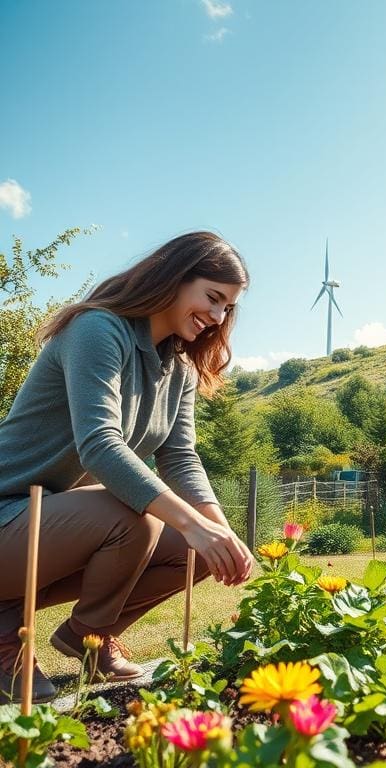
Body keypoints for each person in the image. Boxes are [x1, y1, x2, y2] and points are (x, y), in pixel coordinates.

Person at [0, 231, 255, 703]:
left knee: (197, 550)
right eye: (213, 298)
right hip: (9, 516)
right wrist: (191, 521)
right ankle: (5, 638)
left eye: (228, 308)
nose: (219, 317)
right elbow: (100, 444)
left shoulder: (178, 365)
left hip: (57, 527)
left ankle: (88, 636)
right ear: (173, 279)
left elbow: (180, 456)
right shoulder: (97, 330)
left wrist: (220, 532)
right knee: (131, 517)